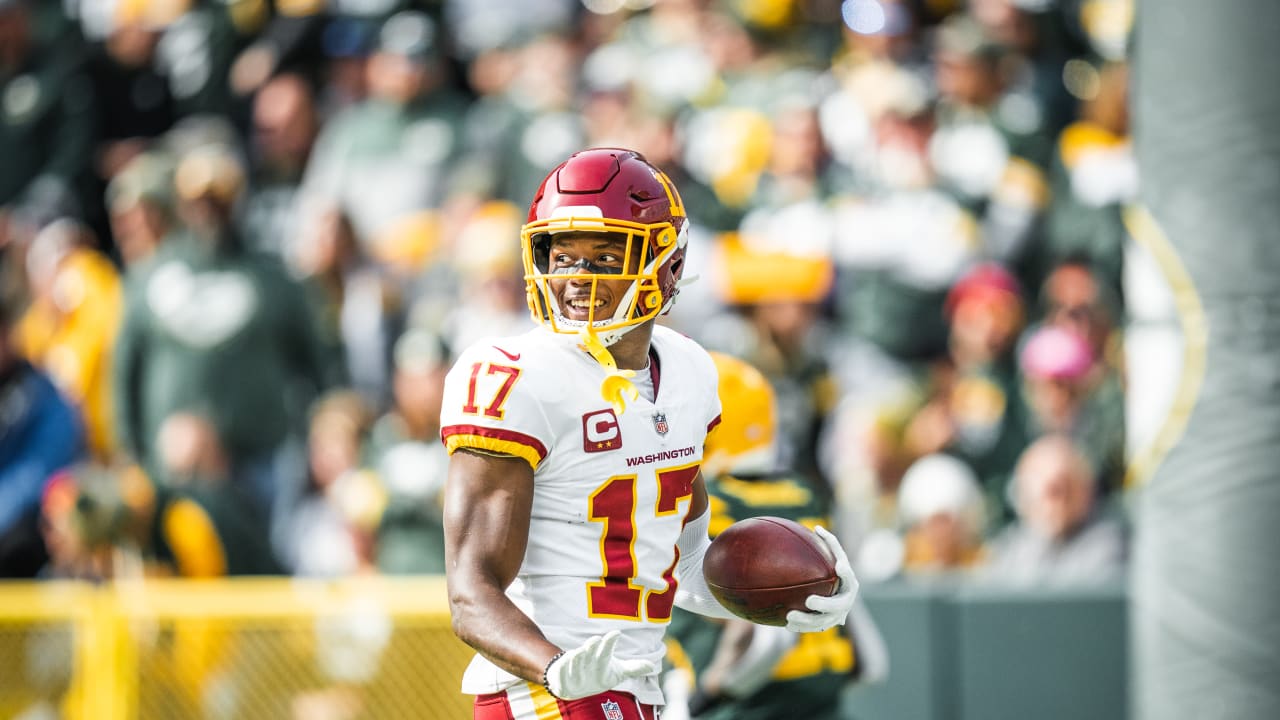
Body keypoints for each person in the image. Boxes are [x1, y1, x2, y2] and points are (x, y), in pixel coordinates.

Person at [440, 148, 858, 718]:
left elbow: (684, 569)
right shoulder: (513, 375)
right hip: (543, 692)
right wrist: (555, 667)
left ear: (668, 262)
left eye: (606, 256)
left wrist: (801, 596)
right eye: (562, 256)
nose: (578, 278)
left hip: (634, 686)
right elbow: (471, 594)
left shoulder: (690, 371)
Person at [664, 351, 887, 720]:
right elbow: (872, 662)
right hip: (822, 703)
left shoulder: (706, 502)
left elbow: (768, 639)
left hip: (747, 706)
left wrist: (701, 698)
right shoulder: (804, 492)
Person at [983, 434, 1127, 586]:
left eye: (1066, 488)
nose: (1057, 503)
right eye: (1051, 491)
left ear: (1087, 491)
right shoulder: (1009, 552)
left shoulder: (1109, 545)